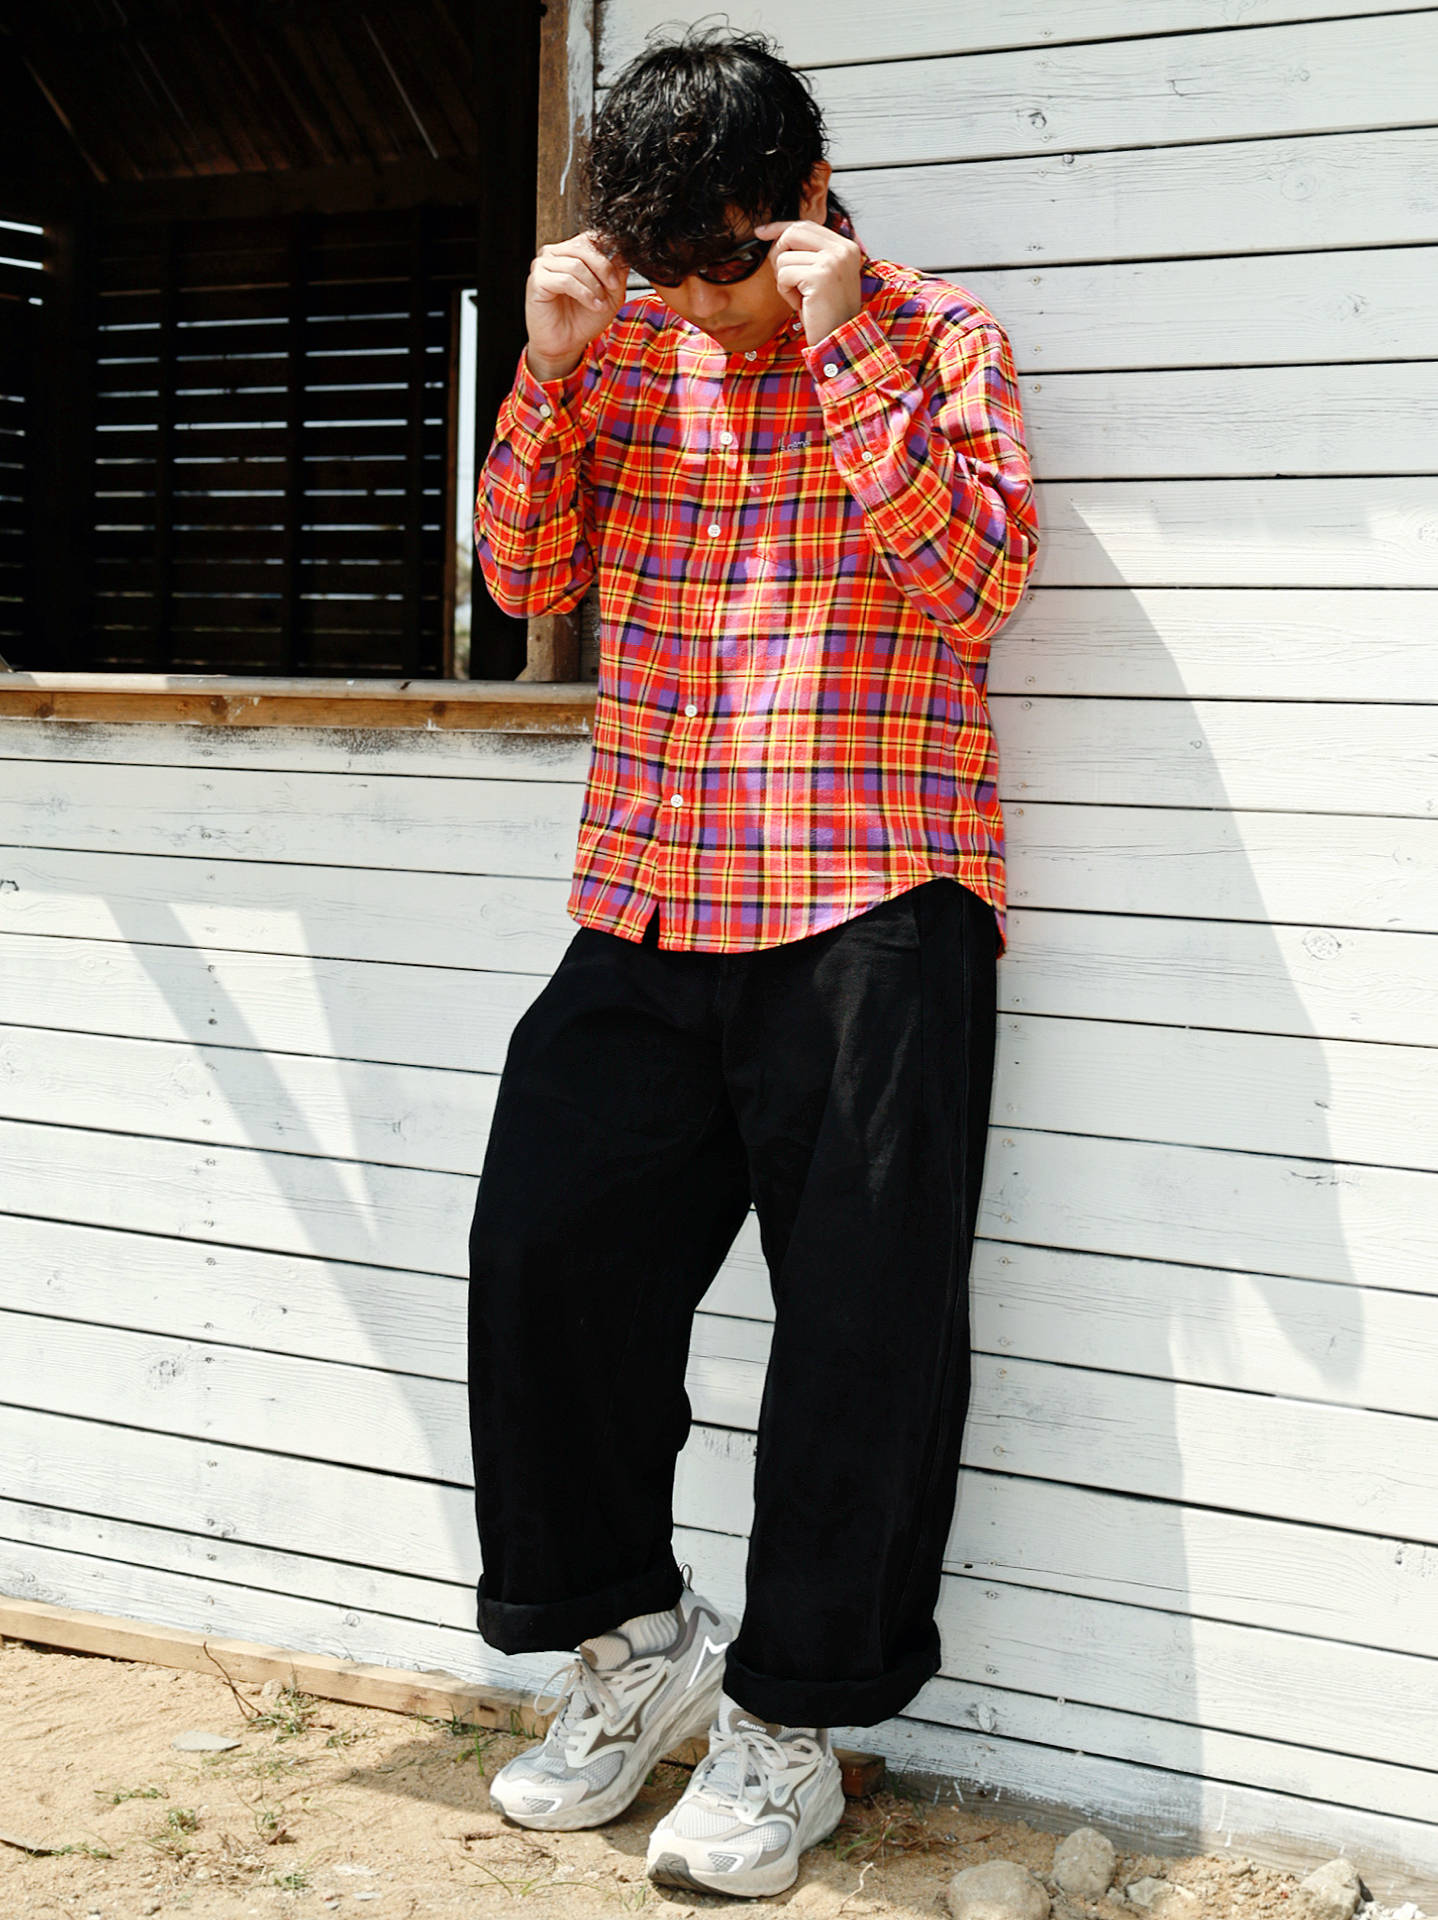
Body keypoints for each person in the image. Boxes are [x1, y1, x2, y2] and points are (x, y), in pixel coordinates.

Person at [467, 29, 1037, 1899]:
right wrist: (551, 371)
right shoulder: (620, 346)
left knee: (863, 1330)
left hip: (876, 901)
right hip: (647, 893)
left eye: (718, 261)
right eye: (662, 267)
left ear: (800, 196)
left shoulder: (932, 335)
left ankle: (793, 1726)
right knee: (542, 1259)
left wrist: (845, 346)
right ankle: (632, 1647)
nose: (698, 305)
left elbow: (974, 585)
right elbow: (522, 584)